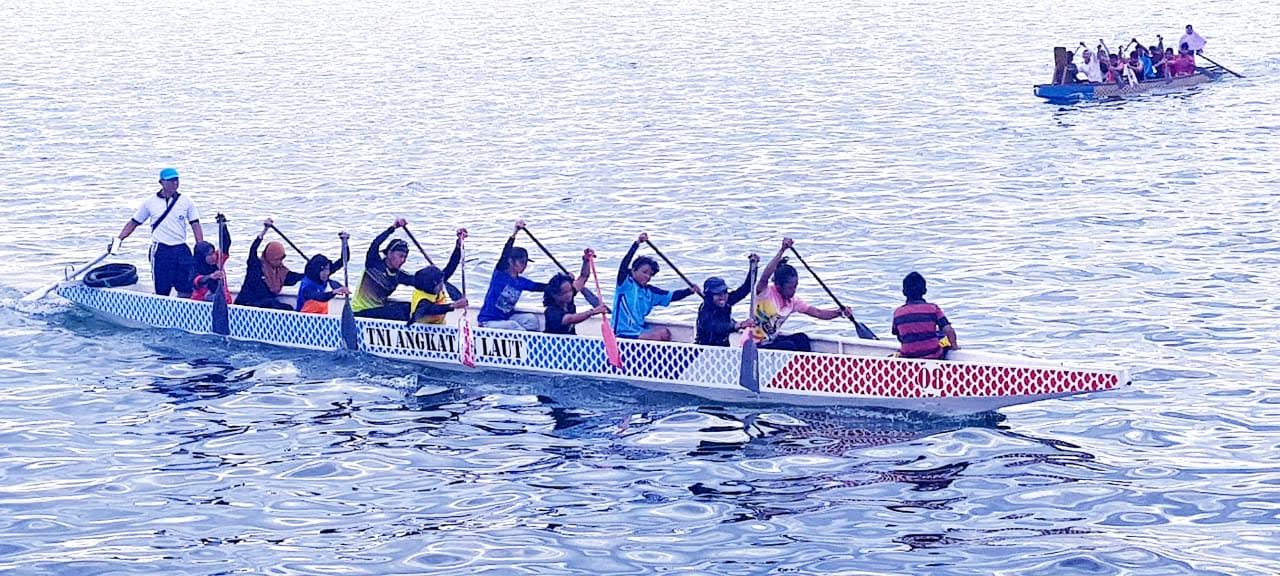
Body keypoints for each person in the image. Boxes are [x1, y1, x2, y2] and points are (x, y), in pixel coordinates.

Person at [751, 238, 852, 352]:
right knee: (789, 346)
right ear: (778, 286)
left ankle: (809, 369)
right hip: (753, 346)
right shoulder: (764, 293)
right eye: (790, 288)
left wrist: (839, 312)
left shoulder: (793, 301)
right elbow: (765, 275)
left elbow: (818, 313)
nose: (794, 291)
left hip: (770, 342)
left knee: (801, 338)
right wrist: (782, 250)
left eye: (795, 286)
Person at [117, 167, 203, 297]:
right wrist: (119, 239)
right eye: (171, 181)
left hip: (181, 248)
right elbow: (134, 222)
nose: (175, 183)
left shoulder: (186, 202)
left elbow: (195, 224)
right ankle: (162, 311)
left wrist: (200, 246)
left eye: (176, 180)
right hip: (161, 249)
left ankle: (184, 312)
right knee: (162, 288)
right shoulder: (150, 203)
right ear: (161, 182)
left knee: (186, 285)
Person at [612, 233, 699, 341]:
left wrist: (689, 291)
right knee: (658, 336)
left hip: (639, 330)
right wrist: (637, 243)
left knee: (665, 333)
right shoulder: (625, 283)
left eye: (650, 274)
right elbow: (624, 265)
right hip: (622, 333)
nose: (647, 277)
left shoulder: (650, 292)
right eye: (644, 272)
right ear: (634, 270)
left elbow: (671, 296)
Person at [478, 220, 548, 331]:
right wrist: (515, 232)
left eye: (526, 263)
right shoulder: (500, 275)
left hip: (506, 319)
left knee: (532, 320)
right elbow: (505, 253)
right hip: (489, 322)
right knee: (513, 326)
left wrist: (565, 280)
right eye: (521, 262)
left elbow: (541, 287)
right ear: (511, 261)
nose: (524, 266)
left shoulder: (521, 282)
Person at [352, 218, 416, 320]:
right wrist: (393, 228)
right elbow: (375, 244)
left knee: (409, 307)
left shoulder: (399, 276)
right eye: (400, 256)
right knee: (397, 312)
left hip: (378, 310)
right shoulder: (373, 264)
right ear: (389, 253)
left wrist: (435, 276)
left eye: (405, 257)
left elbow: (419, 281)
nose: (403, 260)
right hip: (360, 312)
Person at [235, 219, 304, 310]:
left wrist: (313, 272)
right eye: (277, 259)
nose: (280, 262)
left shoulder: (280, 272)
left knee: (288, 308)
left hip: (265, 307)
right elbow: (253, 250)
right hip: (247, 305)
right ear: (270, 256)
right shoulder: (255, 266)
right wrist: (265, 230)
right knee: (271, 303)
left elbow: (294, 277)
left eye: (281, 258)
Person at [407, 228, 468, 326]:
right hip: (421, 333)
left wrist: (458, 245)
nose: (442, 285)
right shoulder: (422, 300)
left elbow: (451, 266)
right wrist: (454, 305)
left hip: (439, 327)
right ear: (432, 285)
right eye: (440, 283)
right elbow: (432, 309)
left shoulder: (435, 284)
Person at [693, 255, 758, 347]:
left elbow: (746, 288)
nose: (722, 297)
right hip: (705, 349)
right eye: (717, 294)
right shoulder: (705, 310)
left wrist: (753, 267)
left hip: (723, 347)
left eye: (724, 292)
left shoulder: (726, 301)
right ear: (709, 296)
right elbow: (717, 327)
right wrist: (738, 325)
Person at [892, 272, 959, 359]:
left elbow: (899, 336)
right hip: (933, 355)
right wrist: (954, 346)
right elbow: (948, 330)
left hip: (908, 356)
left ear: (904, 292)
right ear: (924, 290)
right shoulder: (933, 308)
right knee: (941, 335)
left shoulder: (898, 312)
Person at [543, 249, 609, 335]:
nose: (569, 295)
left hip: (571, 340)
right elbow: (571, 319)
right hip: (554, 343)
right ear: (555, 295)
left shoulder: (568, 297)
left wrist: (586, 260)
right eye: (564, 293)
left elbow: (583, 277)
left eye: (570, 290)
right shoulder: (552, 311)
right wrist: (593, 311)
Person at [296, 234, 351, 314]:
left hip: (322, 318)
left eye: (328, 269)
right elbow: (320, 297)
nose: (327, 273)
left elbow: (344, 260)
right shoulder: (307, 285)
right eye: (324, 270)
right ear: (317, 270)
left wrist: (344, 242)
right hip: (304, 319)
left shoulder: (323, 275)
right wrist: (335, 291)